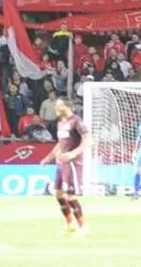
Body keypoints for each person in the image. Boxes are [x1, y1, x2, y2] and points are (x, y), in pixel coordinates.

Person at [41, 98, 90, 236]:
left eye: (59, 105)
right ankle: (70, 225)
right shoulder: (60, 122)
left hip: (73, 162)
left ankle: (83, 228)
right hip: (61, 162)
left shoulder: (77, 121)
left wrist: (73, 154)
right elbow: (60, 143)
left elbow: (88, 140)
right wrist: (48, 157)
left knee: (70, 195)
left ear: (68, 106)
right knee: (58, 193)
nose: (56, 108)